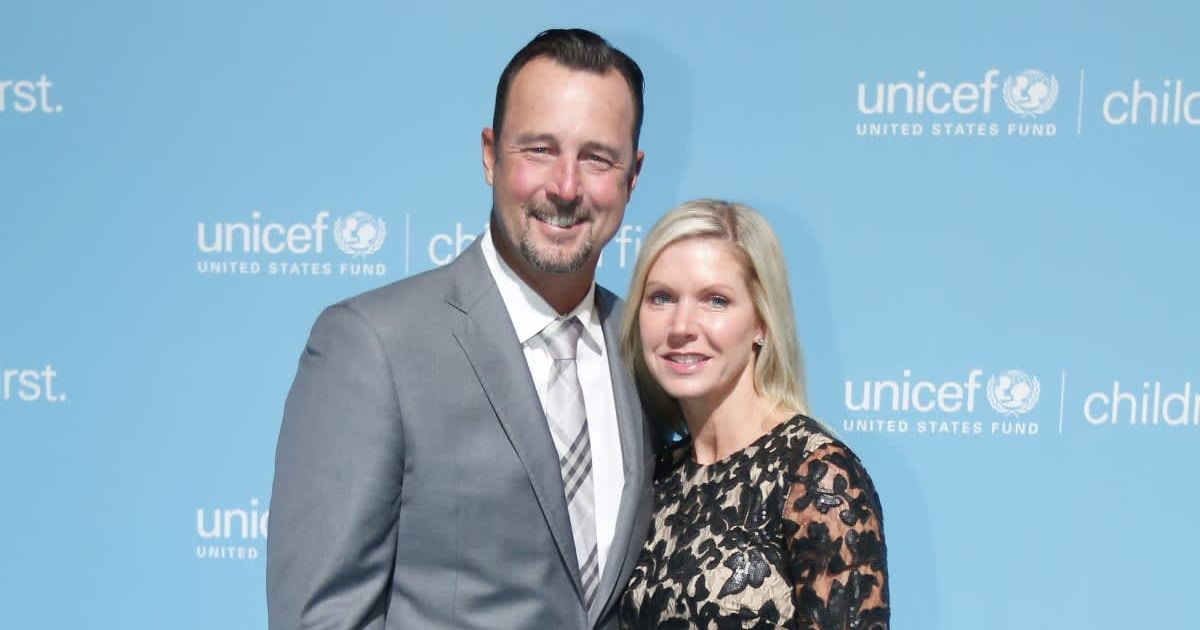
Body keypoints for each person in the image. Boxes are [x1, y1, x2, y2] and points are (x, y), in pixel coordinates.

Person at [267, 29, 654, 629]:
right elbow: (321, 618)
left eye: (597, 158)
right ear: (489, 154)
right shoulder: (373, 345)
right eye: (539, 149)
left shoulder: (648, 352)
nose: (566, 186)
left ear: (632, 177)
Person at [617, 200, 890, 629]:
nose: (681, 325)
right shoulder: (656, 474)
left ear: (761, 322)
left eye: (716, 301)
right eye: (662, 297)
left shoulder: (817, 476)